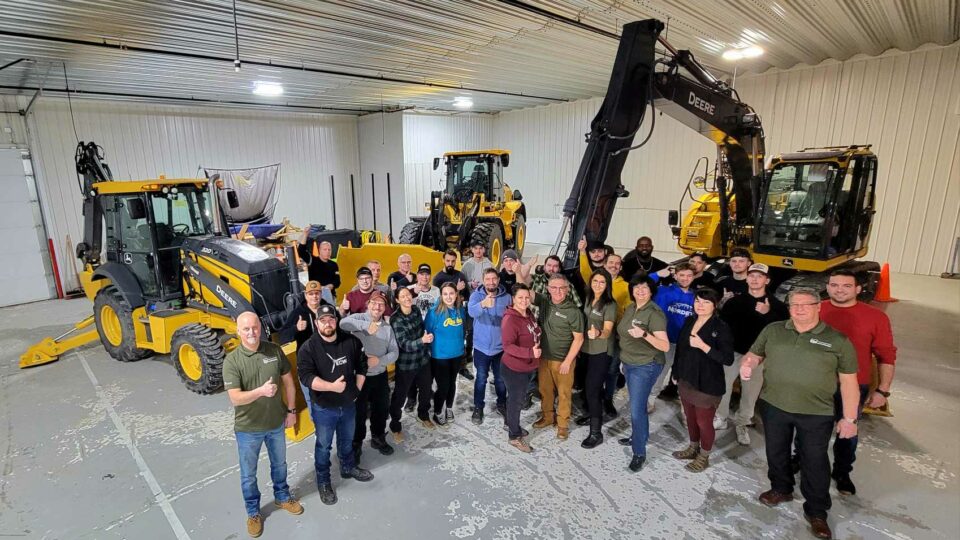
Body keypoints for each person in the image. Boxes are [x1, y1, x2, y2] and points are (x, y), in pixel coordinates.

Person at [740, 287, 859, 540]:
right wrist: (748, 364)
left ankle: (817, 511)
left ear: (818, 307)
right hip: (774, 405)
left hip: (816, 412)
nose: (800, 309)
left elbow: (849, 382)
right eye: (794, 305)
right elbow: (755, 354)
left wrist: (849, 418)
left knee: (814, 460)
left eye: (806, 304)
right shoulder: (774, 330)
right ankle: (781, 488)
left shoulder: (837, 340)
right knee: (776, 451)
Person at [223, 312, 303, 537]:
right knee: (248, 475)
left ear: (261, 327)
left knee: (280, 465)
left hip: (276, 423)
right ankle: (253, 512)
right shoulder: (232, 361)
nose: (251, 333)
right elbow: (235, 398)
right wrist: (261, 392)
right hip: (248, 429)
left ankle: (282, 497)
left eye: (255, 327)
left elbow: (289, 382)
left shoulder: (273, 350)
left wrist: (291, 410)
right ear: (238, 331)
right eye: (246, 329)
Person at [820, 269, 897, 496]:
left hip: (854, 386)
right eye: (834, 285)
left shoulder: (876, 317)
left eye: (846, 286)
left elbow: (887, 356)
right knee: (810, 429)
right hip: (816, 384)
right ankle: (800, 459)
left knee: (848, 432)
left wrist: (883, 390)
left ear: (858, 289)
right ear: (828, 287)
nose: (839, 290)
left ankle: (842, 472)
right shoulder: (816, 309)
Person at [297, 304, 374, 506]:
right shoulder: (308, 348)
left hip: (348, 404)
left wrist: (355, 390)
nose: (328, 324)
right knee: (323, 446)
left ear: (336, 320)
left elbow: (362, 365)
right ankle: (323, 481)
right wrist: (331, 387)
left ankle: (348, 467)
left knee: (347, 440)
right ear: (316, 323)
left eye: (331, 319)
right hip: (324, 407)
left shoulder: (351, 341)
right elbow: (306, 377)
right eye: (323, 321)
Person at [717, 263, 789, 442]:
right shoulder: (735, 301)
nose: (755, 279)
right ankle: (721, 418)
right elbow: (723, 326)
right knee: (723, 386)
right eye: (752, 275)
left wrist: (768, 314)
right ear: (747, 278)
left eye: (760, 276)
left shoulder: (777, 307)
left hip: (758, 356)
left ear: (767, 280)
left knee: (750, 392)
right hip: (733, 353)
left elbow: (782, 332)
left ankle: (742, 424)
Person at [670, 288, 734, 472]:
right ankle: (692, 447)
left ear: (714, 305)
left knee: (704, 422)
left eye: (706, 302)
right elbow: (680, 350)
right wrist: (676, 372)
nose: (700, 305)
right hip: (686, 378)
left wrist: (704, 346)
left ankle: (704, 455)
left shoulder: (721, 327)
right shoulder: (690, 320)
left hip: (707, 383)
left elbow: (727, 359)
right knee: (689, 418)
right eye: (698, 301)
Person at [616, 274, 670, 472]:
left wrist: (645, 334)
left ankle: (639, 451)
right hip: (630, 363)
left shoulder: (654, 313)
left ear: (651, 291)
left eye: (644, 288)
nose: (640, 291)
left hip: (646, 365)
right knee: (636, 405)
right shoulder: (631, 307)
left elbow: (664, 346)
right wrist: (624, 360)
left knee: (637, 410)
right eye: (636, 287)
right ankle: (638, 436)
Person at [339, 292, 399, 460]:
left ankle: (378, 437)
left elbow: (394, 352)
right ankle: (356, 443)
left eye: (381, 304)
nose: (377, 307)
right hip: (360, 376)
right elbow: (343, 323)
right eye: (374, 303)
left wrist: (379, 361)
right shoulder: (359, 318)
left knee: (381, 409)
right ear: (368, 303)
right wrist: (366, 326)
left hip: (379, 374)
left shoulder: (387, 328)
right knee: (358, 412)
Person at [532, 274, 585, 441]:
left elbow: (579, 339)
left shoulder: (573, 312)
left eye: (562, 287)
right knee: (545, 391)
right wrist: (520, 270)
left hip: (563, 361)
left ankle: (562, 425)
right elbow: (525, 290)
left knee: (564, 394)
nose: (558, 291)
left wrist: (568, 361)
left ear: (567, 289)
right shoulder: (544, 302)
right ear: (548, 289)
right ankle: (548, 417)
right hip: (544, 358)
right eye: (554, 287)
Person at [575, 268, 617, 449]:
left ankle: (596, 432)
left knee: (593, 390)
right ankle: (591, 413)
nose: (598, 285)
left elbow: (608, 330)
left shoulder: (610, 304)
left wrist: (598, 332)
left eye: (602, 282)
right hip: (585, 349)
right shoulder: (588, 298)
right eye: (595, 281)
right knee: (585, 386)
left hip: (600, 351)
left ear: (607, 285)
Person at [279, 280, 334, 412]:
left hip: (328, 362)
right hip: (308, 364)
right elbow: (283, 336)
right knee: (311, 398)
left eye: (317, 293)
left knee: (331, 394)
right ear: (306, 295)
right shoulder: (298, 313)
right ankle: (317, 427)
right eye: (311, 294)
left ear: (321, 294)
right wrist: (296, 328)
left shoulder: (328, 309)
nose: (314, 296)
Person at [389, 286, 436, 436]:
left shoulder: (415, 310)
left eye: (408, 295)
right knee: (400, 396)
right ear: (397, 300)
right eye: (402, 296)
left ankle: (423, 414)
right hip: (406, 364)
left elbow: (422, 328)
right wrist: (422, 340)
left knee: (426, 390)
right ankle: (395, 425)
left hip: (422, 360)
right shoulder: (395, 319)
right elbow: (404, 344)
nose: (407, 298)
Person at [649, 263, 696, 410]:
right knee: (660, 371)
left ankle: (685, 406)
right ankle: (650, 398)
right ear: (675, 275)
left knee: (685, 376)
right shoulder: (662, 291)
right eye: (681, 275)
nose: (685, 278)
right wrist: (657, 274)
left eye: (689, 275)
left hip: (686, 345)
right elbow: (641, 284)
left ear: (694, 277)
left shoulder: (698, 297)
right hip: (665, 341)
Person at [501, 283, 542, 453]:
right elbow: (507, 346)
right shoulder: (510, 319)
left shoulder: (528, 314)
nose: (524, 300)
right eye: (520, 297)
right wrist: (529, 352)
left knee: (516, 400)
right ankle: (514, 436)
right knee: (516, 402)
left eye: (527, 297)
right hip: (514, 368)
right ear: (513, 299)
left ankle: (511, 424)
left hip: (527, 367)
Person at [468, 268, 512, 424]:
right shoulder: (476, 295)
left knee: (501, 380)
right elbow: (472, 312)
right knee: (481, 379)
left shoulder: (507, 298)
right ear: (483, 280)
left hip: (500, 348)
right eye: (488, 279)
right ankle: (478, 407)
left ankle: (502, 404)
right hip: (481, 348)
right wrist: (483, 304)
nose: (491, 282)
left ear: (498, 280)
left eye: (494, 279)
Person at [424, 282, 467, 426]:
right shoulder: (434, 312)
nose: (449, 297)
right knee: (443, 385)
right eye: (445, 294)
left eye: (451, 293)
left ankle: (449, 407)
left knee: (453, 383)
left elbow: (463, 329)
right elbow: (427, 332)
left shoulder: (460, 310)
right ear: (441, 296)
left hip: (457, 354)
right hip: (440, 356)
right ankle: (437, 411)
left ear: (456, 294)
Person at [404, 263, 441, 413]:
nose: (424, 277)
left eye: (427, 274)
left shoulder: (436, 291)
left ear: (430, 276)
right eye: (421, 274)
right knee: (413, 366)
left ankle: (426, 390)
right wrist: (412, 293)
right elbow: (402, 306)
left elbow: (440, 309)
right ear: (417, 275)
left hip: (431, 332)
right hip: (415, 332)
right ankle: (411, 397)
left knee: (429, 365)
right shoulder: (410, 289)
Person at [433, 249, 473, 380]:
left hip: (459, 312)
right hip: (444, 315)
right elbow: (438, 298)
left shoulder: (460, 274)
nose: (450, 263)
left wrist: (462, 295)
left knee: (461, 338)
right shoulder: (438, 278)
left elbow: (466, 295)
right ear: (443, 260)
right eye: (448, 260)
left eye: (453, 261)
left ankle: (462, 366)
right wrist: (457, 289)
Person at [298, 237, 340, 304]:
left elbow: (337, 281)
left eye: (329, 250)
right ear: (319, 250)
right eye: (325, 249)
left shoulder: (334, 264)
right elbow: (301, 251)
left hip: (330, 296)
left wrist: (331, 285)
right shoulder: (313, 261)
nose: (327, 252)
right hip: (315, 295)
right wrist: (305, 234)